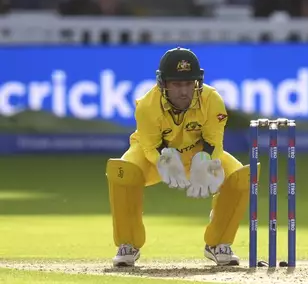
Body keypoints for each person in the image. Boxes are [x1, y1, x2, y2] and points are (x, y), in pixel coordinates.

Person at [106, 47, 255, 267]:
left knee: (240, 177)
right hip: (155, 158)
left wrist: (205, 160)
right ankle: (128, 244)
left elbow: (215, 141)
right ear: (163, 84)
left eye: (188, 83)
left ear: (197, 83)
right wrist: (162, 160)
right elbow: (148, 146)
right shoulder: (147, 106)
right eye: (176, 84)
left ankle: (218, 243)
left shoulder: (212, 100)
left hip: (197, 155)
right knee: (123, 172)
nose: (184, 91)